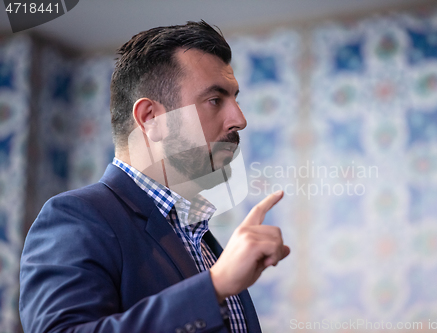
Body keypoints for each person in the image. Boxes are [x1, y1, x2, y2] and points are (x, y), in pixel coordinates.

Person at [19, 21, 290, 333]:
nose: (239, 120)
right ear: (151, 118)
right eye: (216, 100)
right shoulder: (76, 217)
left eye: (235, 98)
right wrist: (214, 286)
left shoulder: (198, 237)